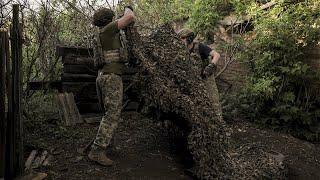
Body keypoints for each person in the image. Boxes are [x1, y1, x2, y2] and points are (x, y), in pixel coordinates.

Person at [88, 6, 135, 166]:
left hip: (103, 77)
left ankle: (106, 145)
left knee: (108, 114)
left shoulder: (101, 33)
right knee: (112, 114)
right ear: (109, 20)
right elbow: (130, 18)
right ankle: (97, 151)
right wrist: (128, 8)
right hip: (111, 77)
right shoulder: (108, 30)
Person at [178, 28, 223, 121]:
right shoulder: (181, 50)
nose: (180, 40)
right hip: (194, 80)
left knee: (213, 102)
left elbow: (216, 55)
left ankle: (219, 123)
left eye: (183, 38)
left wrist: (211, 66)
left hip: (206, 78)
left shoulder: (200, 47)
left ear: (189, 38)